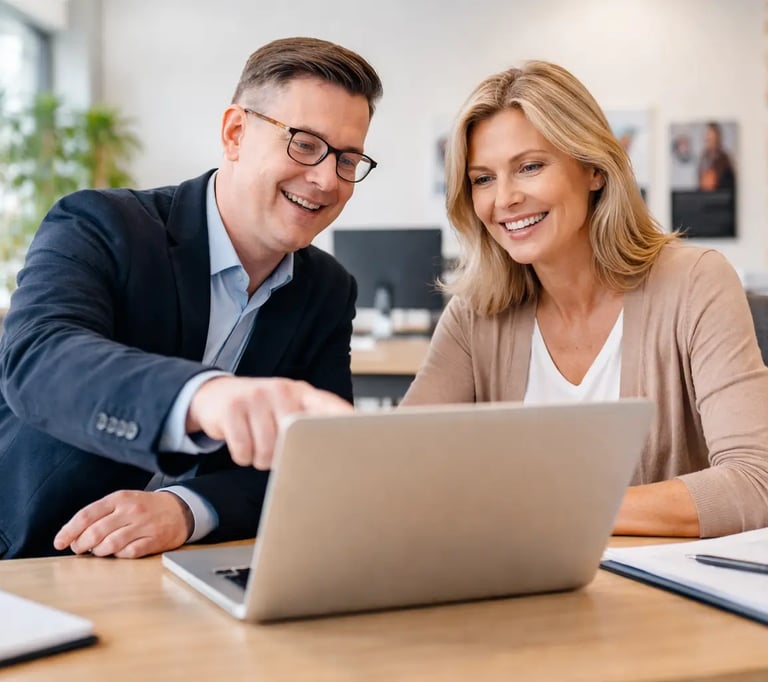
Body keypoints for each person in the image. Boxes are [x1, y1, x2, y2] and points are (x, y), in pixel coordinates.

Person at [0, 37, 383, 559]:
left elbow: (313, 463)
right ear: (235, 133)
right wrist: (204, 397)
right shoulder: (100, 225)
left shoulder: (327, 288)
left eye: (347, 159)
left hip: (180, 570)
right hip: (29, 554)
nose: (324, 179)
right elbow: (38, 362)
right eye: (305, 144)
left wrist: (186, 509)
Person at [401, 61, 768, 538]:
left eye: (530, 167)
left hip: (663, 605)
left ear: (593, 169)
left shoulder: (695, 282)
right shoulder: (477, 313)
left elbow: (755, 483)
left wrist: (553, 507)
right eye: (483, 179)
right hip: (525, 590)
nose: (505, 198)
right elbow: (403, 470)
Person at [697, 121, 735, 192]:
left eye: (713, 138)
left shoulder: (725, 159)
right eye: (708, 138)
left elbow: (730, 187)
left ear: (718, 138)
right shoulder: (703, 157)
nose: (710, 141)